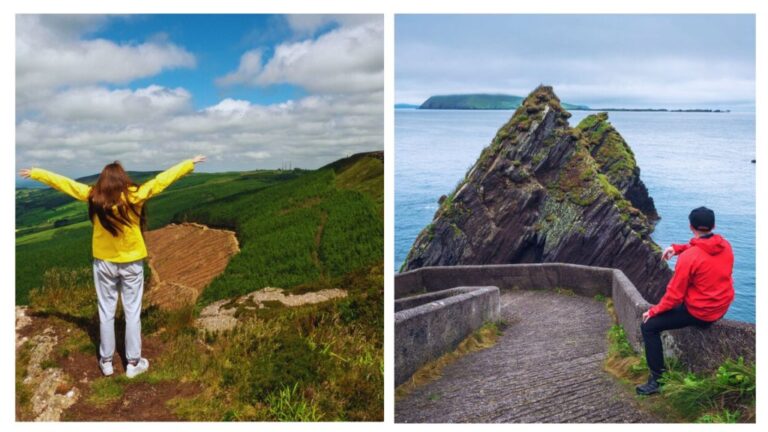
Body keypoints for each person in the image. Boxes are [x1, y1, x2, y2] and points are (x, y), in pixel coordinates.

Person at [19, 155, 206, 378]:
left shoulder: (93, 196)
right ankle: (133, 363)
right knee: (132, 313)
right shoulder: (134, 196)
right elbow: (162, 180)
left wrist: (37, 173)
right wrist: (188, 164)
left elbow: (66, 184)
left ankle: (106, 362)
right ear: (122, 179)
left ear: (103, 181)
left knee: (106, 312)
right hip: (131, 263)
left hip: (104, 263)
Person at [636, 206, 734, 395]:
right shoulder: (725, 245)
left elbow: (674, 296)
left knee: (649, 326)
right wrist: (677, 248)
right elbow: (702, 246)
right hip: (721, 306)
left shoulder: (689, 258)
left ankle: (657, 380)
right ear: (713, 225)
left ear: (691, 227)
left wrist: (654, 311)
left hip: (701, 312)